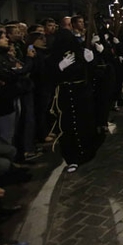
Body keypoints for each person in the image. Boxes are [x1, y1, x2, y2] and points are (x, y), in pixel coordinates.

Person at [47, 29, 97, 173]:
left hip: (81, 93)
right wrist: (59, 67)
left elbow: (93, 73)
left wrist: (91, 60)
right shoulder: (54, 57)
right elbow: (48, 76)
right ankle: (72, 156)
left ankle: (85, 152)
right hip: (64, 94)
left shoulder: (81, 52)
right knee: (67, 125)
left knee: (83, 123)